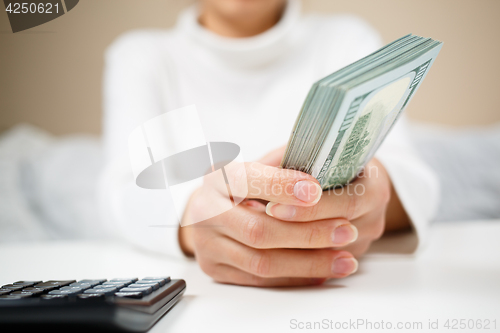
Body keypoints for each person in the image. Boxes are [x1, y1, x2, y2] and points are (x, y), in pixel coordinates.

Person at [99, 0, 439, 287]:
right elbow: (120, 193)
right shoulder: (142, 55)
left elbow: (416, 182)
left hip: (348, 290)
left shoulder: (345, 39)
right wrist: (196, 218)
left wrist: (374, 190)